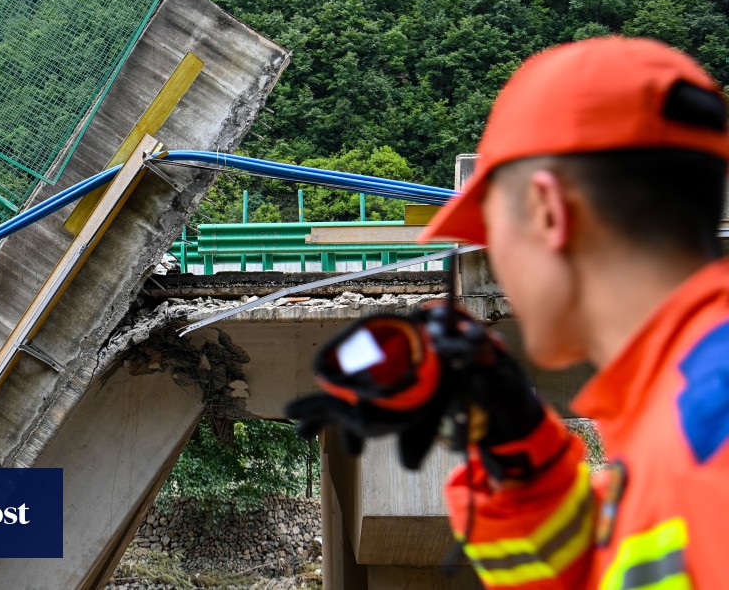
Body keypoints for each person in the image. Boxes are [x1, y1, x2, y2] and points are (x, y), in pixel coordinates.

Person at [291, 36, 729, 589]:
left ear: (548, 212)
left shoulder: (709, 419)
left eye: (490, 234)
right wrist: (515, 442)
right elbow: (590, 572)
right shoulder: (673, 413)